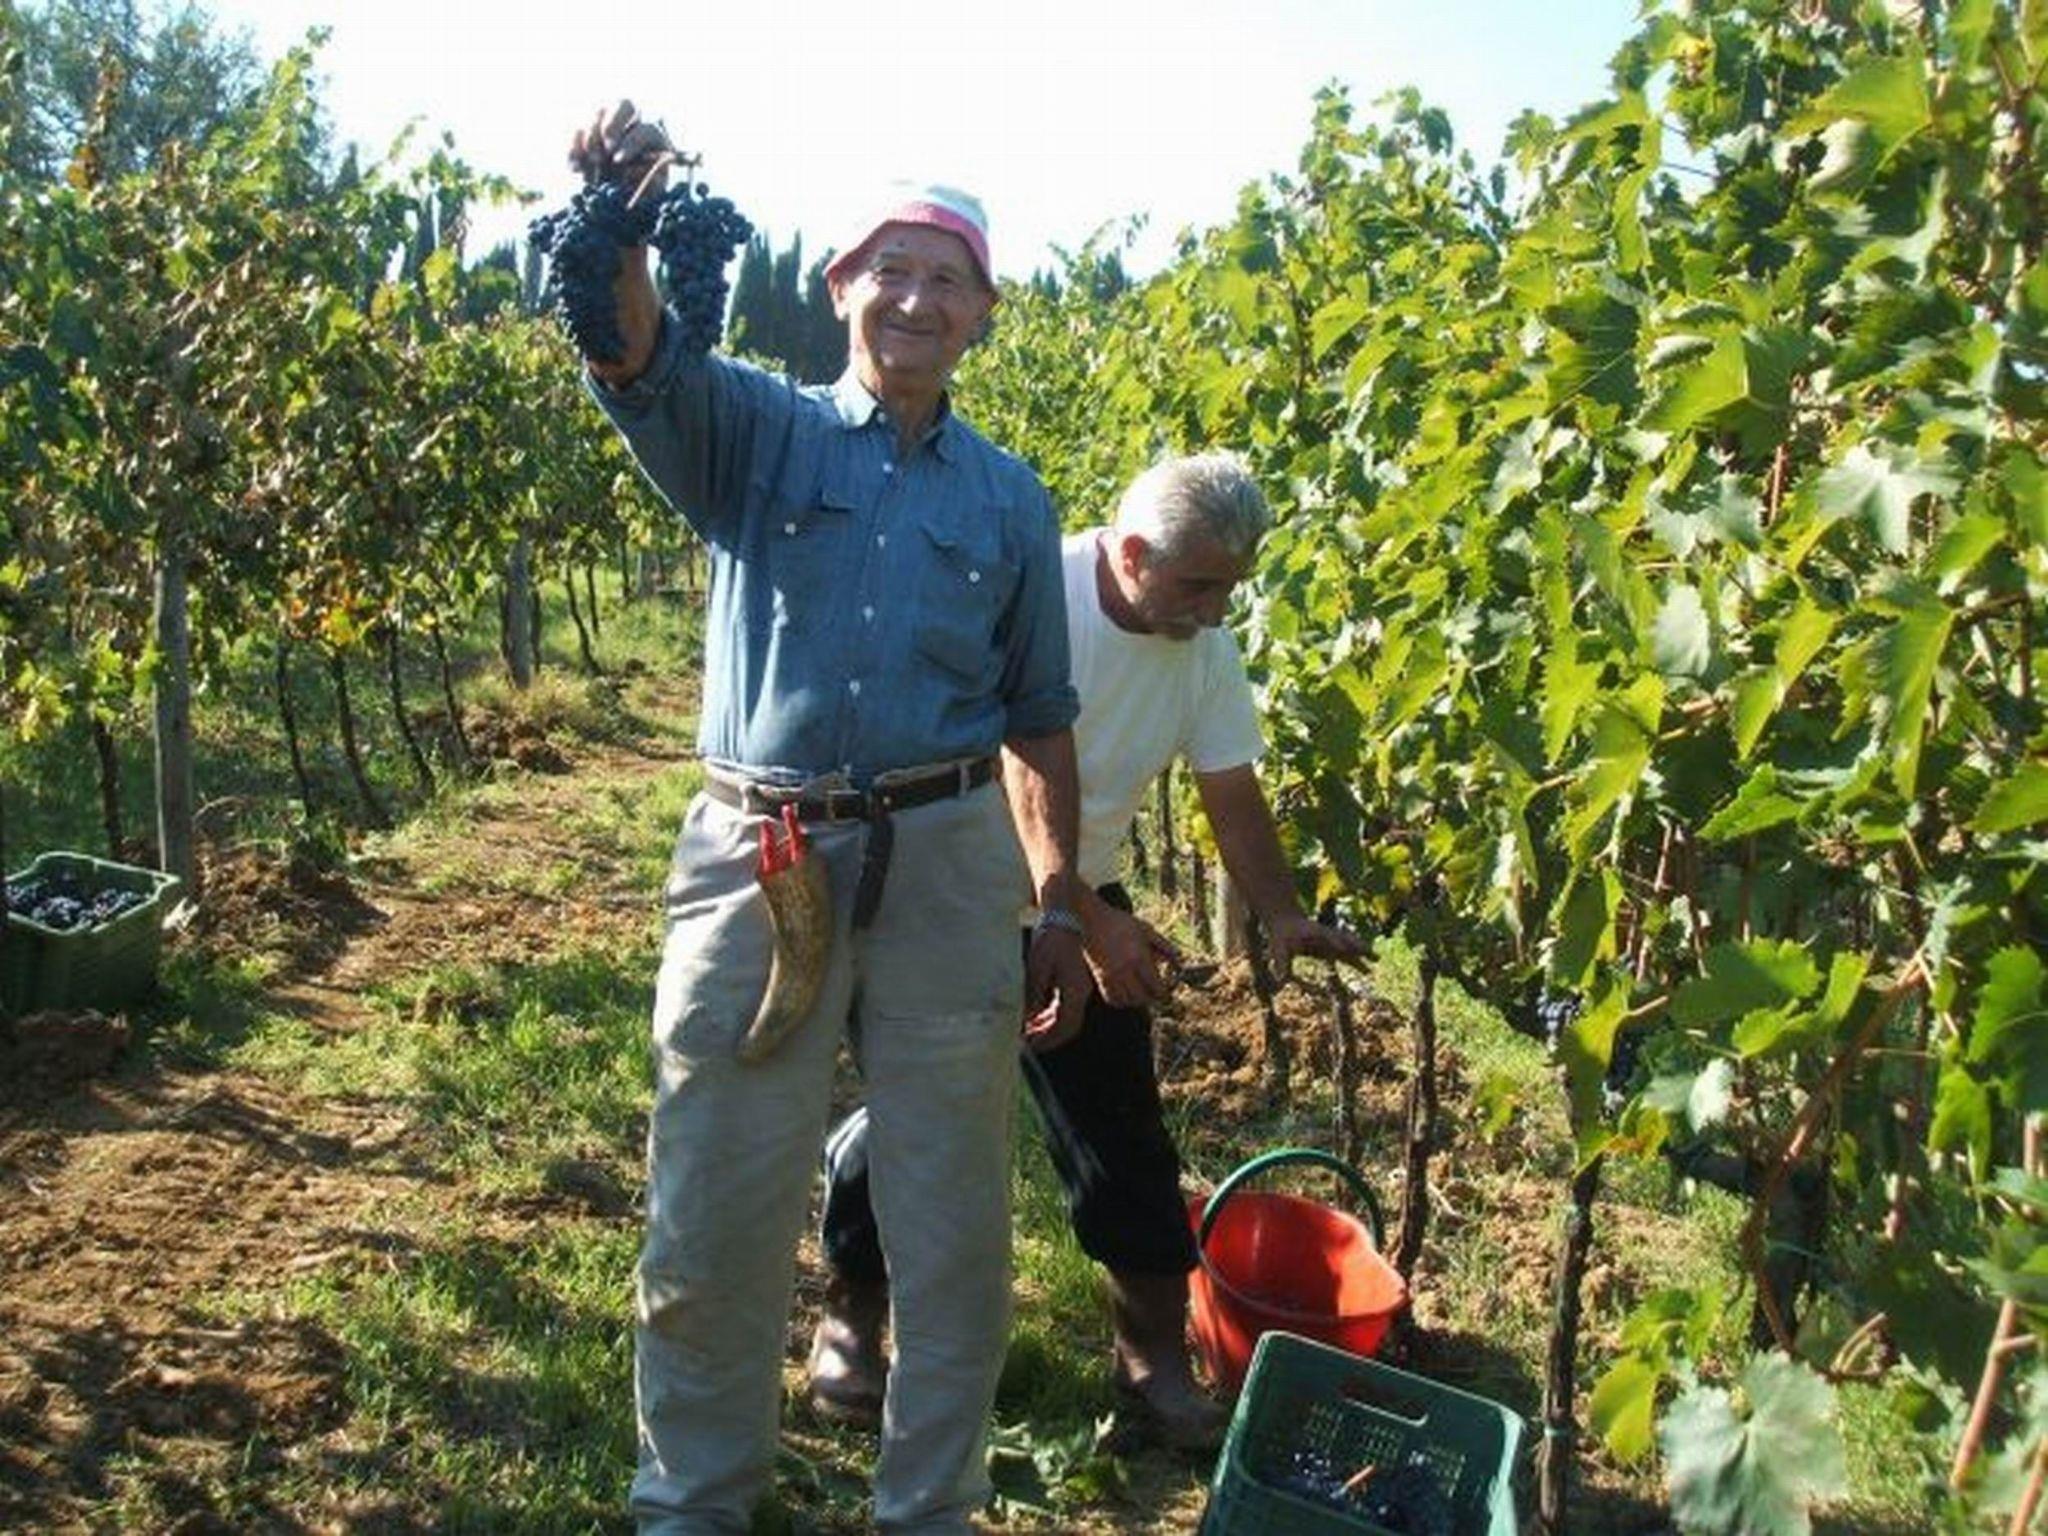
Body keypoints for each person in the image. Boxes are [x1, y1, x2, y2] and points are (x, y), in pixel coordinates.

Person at [566, 105, 1092, 1536]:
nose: (917, 300)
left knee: (953, 1220)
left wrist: (1057, 899)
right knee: (716, 1198)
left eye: (948, 280)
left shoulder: (1011, 501)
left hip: (945, 863)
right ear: (839, 284)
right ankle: (695, 1500)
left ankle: (930, 1506)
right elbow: (633, 353)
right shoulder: (757, 431)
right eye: (891, 270)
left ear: (982, 315)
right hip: (764, 858)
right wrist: (618, 226)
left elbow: (1038, 715)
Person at [808, 454, 1366, 1451]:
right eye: (1198, 584)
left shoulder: (1202, 645)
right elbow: (983, 764)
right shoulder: (1029, 597)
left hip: (1078, 898)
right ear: (1132, 552)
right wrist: (1083, 920)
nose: (1214, 609)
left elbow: (1230, 790)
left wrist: (1280, 914)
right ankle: (853, 1313)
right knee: (915, 1109)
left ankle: (1150, 1361)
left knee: (1121, 1126)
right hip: (944, 880)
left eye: (1229, 588)